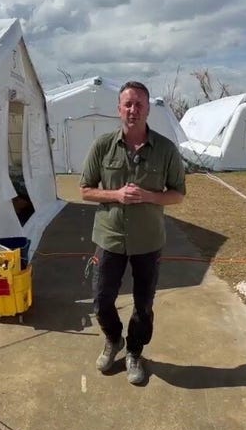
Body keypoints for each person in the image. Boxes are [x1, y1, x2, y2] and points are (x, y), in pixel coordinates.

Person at [79, 81, 186, 385]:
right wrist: (116, 195)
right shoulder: (102, 146)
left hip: (148, 242)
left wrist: (150, 196)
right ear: (118, 109)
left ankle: (135, 352)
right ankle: (114, 340)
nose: (133, 109)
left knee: (143, 304)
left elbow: (178, 193)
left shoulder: (165, 150)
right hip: (109, 237)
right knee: (101, 300)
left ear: (148, 109)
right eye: (127, 103)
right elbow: (85, 190)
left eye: (139, 104)